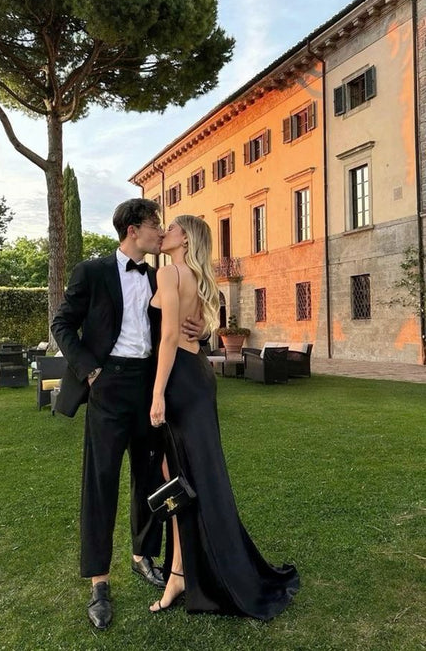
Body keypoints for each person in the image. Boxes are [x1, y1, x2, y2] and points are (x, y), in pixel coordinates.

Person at [51, 198, 204, 630]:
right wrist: (90, 369)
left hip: (151, 386)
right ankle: (99, 582)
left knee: (150, 476)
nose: (161, 231)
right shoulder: (92, 272)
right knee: (100, 481)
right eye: (156, 224)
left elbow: (179, 327)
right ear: (134, 230)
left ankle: (143, 555)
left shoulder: (161, 275)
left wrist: (204, 329)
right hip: (108, 385)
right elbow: (62, 324)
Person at [147, 215, 300, 618]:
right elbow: (197, 331)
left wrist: (158, 393)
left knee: (183, 476)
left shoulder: (169, 274)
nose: (164, 232)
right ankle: (181, 570)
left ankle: (184, 573)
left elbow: (168, 337)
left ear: (185, 239)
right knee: (189, 476)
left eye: (171, 228)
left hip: (179, 379)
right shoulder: (197, 279)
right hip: (197, 377)